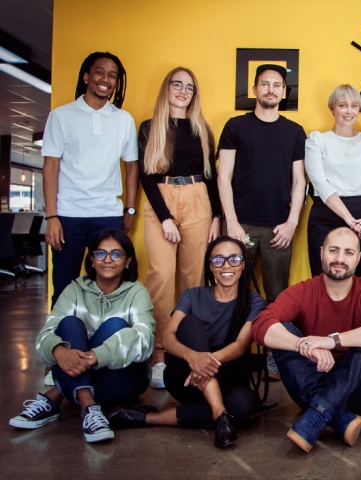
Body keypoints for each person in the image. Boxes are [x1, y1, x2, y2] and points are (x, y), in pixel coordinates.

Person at [251, 227, 361, 452]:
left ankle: (317, 413)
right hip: (310, 381)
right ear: (321, 253)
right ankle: (333, 413)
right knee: (282, 330)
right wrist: (304, 346)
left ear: (358, 258)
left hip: (357, 391)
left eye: (348, 252)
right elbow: (260, 324)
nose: (340, 259)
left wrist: (332, 341)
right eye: (334, 250)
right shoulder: (303, 291)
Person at [107, 236, 266, 448]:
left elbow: (241, 345)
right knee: (190, 324)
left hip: (227, 376)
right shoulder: (192, 296)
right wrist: (193, 358)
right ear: (210, 266)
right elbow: (168, 338)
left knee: (242, 408)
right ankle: (220, 413)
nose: (226, 266)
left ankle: (146, 418)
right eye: (218, 260)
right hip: (185, 377)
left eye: (234, 259)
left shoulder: (254, 302)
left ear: (243, 265)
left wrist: (204, 364)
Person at [9, 229, 154, 443]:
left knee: (115, 325)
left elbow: (145, 340)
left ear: (127, 261)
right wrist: (58, 351)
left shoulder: (137, 292)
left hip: (123, 382)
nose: (107, 260)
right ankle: (89, 406)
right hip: (86, 381)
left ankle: (55, 395)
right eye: (100, 253)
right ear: (92, 260)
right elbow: (45, 334)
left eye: (116, 254)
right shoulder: (75, 289)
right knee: (69, 323)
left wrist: (96, 356)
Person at [217, 64, 306, 380]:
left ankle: (274, 358)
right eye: (265, 83)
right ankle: (228, 357)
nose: (270, 89)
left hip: (278, 228)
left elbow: (300, 180)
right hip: (240, 226)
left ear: (283, 92)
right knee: (230, 292)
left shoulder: (294, 131)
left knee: (278, 297)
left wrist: (292, 222)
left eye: (277, 85)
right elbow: (223, 176)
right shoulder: (236, 126)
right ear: (254, 89)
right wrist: (232, 223)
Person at [138, 67, 222, 389]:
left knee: (193, 279)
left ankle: (187, 350)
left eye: (190, 87)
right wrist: (165, 218)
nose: (183, 91)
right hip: (162, 198)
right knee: (160, 275)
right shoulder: (150, 127)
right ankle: (158, 351)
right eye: (178, 84)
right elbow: (146, 176)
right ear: (167, 88)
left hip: (198, 199)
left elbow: (210, 176)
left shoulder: (202, 128)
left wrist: (216, 217)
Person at [42, 52, 139, 308]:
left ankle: (107, 333)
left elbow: (132, 167)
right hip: (68, 214)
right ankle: (62, 333)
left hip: (108, 214)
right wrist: (51, 217)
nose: (105, 79)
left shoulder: (124, 119)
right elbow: (50, 167)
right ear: (86, 76)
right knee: (64, 286)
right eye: (100, 72)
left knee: (112, 286)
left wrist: (130, 209)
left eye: (112, 75)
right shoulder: (61, 116)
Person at [305, 84, 361, 288]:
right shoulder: (317, 140)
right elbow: (320, 184)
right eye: (343, 105)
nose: (349, 111)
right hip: (327, 214)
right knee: (324, 280)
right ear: (332, 108)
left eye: (354, 106)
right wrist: (349, 220)